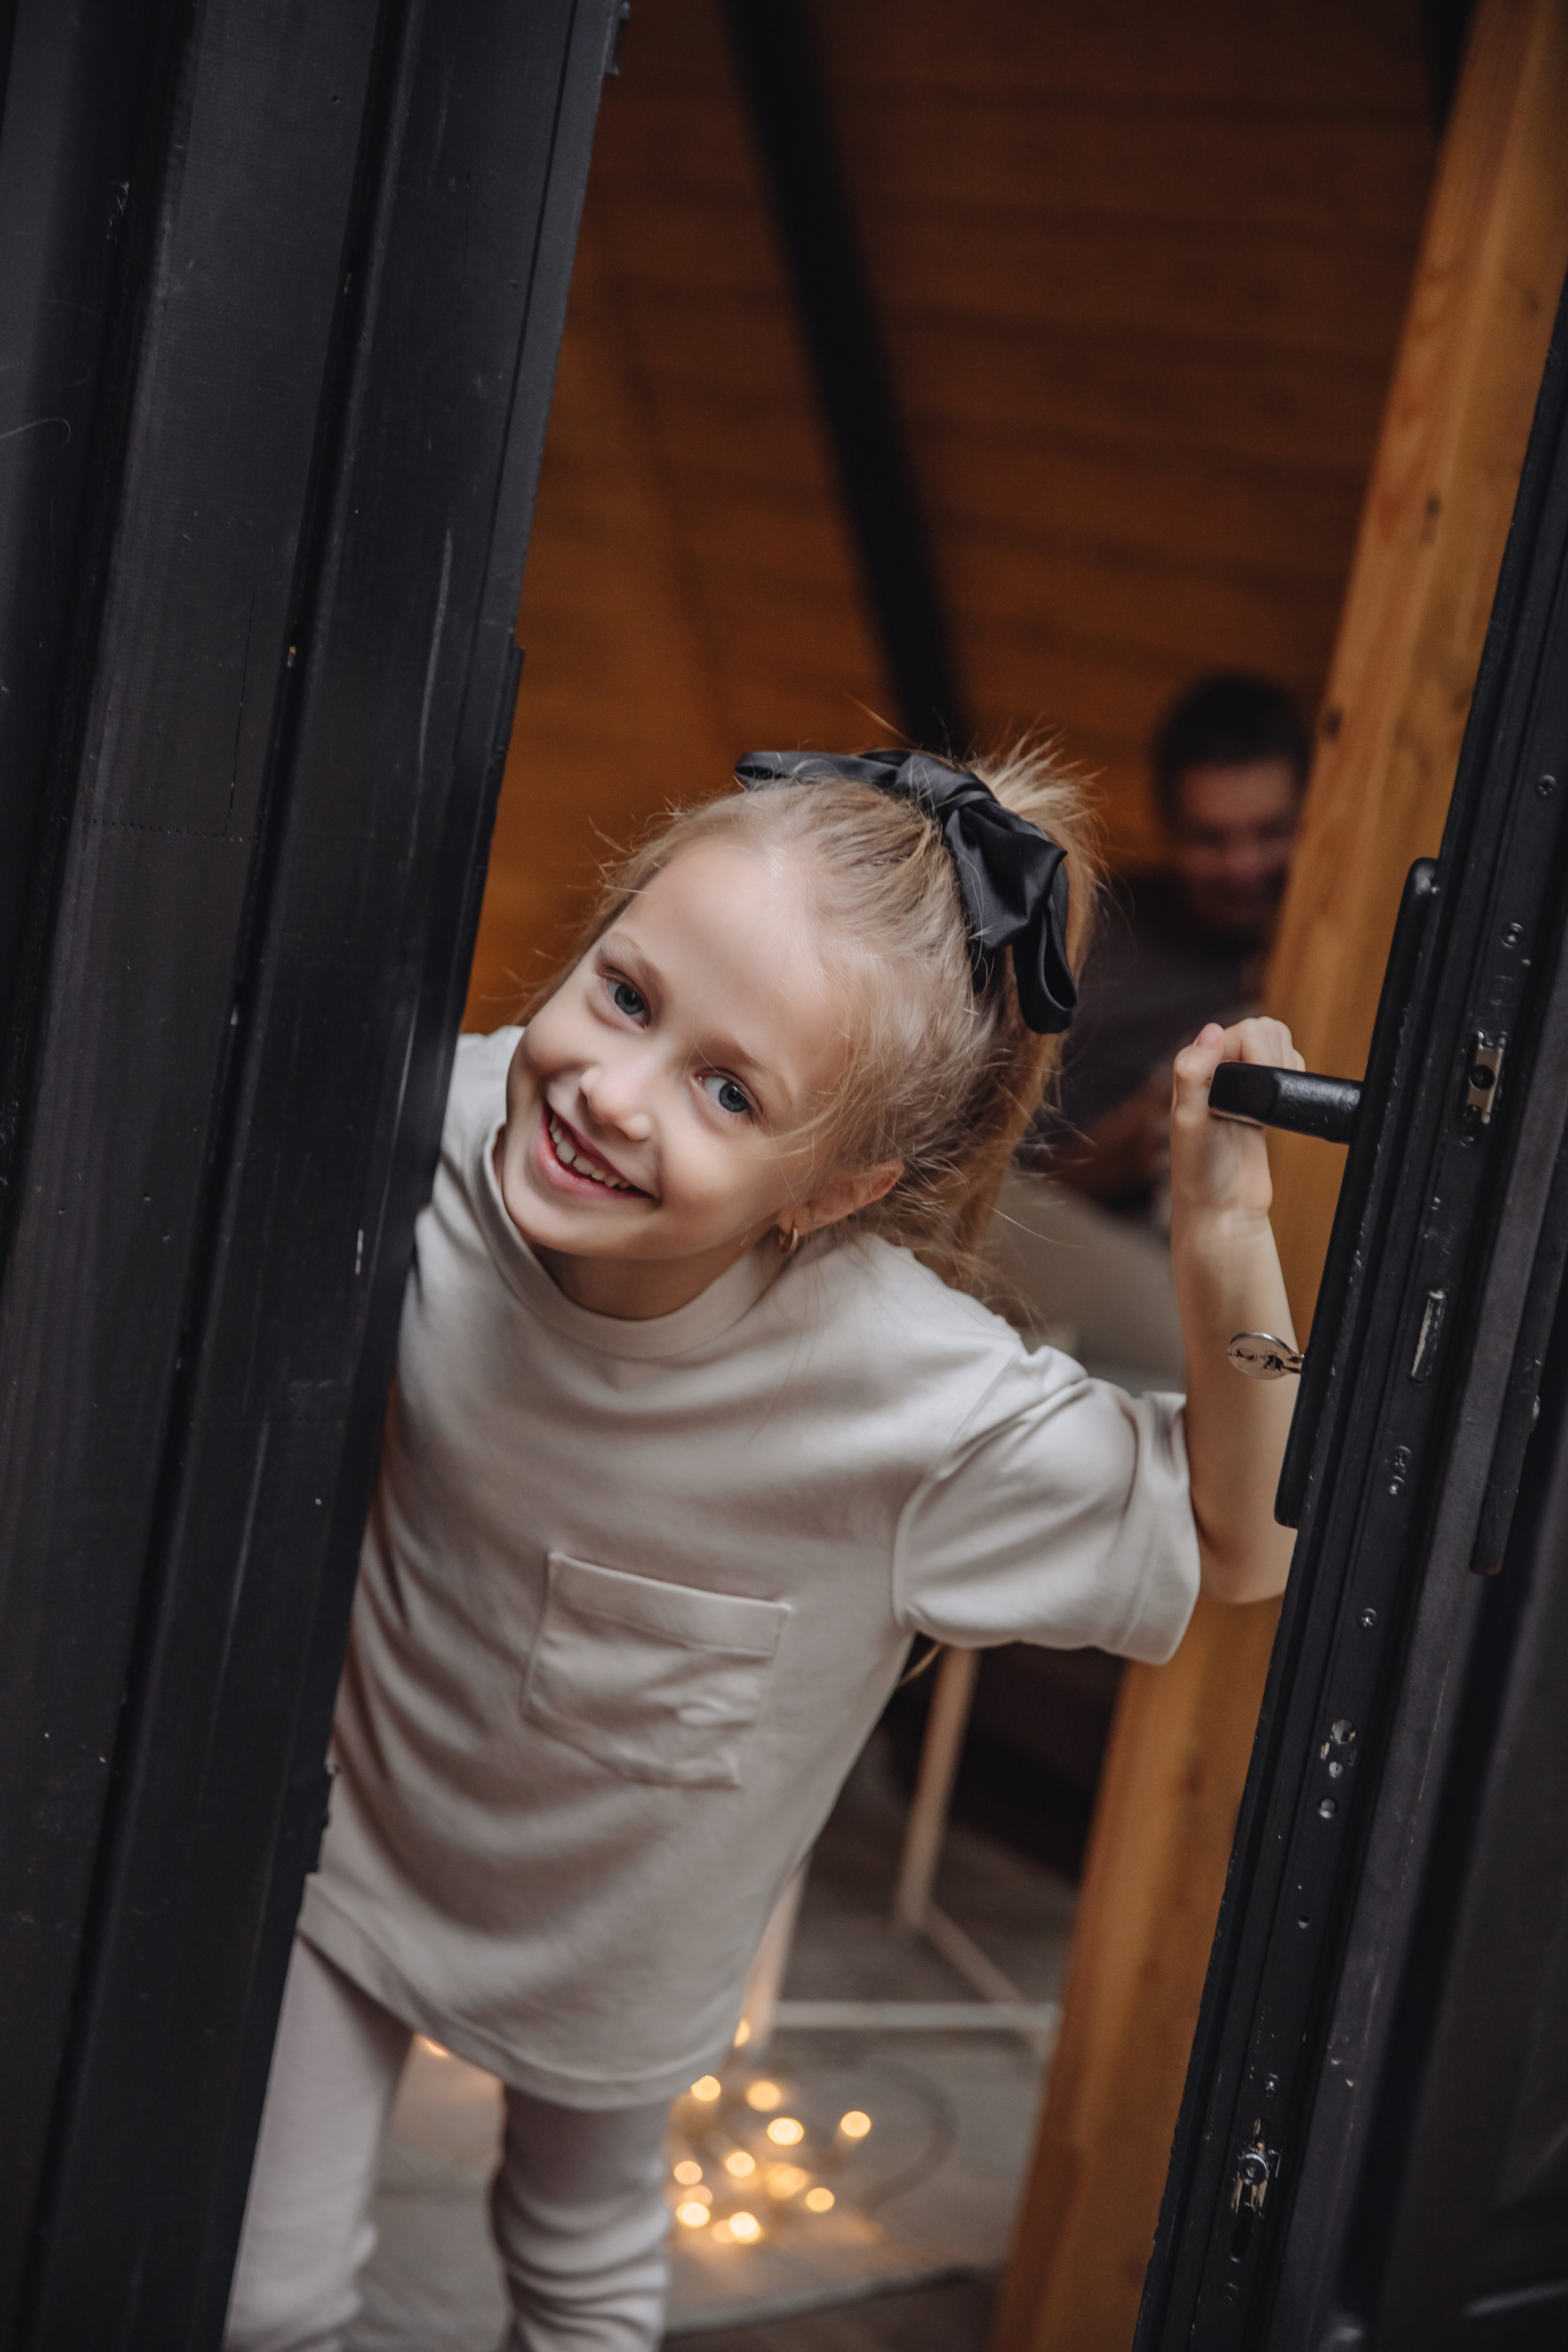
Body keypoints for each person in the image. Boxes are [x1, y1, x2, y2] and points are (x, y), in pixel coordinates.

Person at [223, 742, 1303, 2352]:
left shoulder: (905, 1395)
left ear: (839, 1185)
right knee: (260, 2295)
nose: (609, 1093)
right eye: (625, 997)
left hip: (630, 1941)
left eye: (731, 1091)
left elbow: (1248, 1542)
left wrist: (1228, 1231)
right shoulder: (434, 1128)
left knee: (578, 2272)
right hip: (354, 1852)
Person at [1025, 672, 1310, 1222]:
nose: (1242, 867)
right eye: (1211, 838)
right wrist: (1147, 1134)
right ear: (1167, 827)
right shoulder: (1090, 938)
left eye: (1270, 832)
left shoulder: (1330, 961)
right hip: (1091, 1233)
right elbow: (1018, 1188)